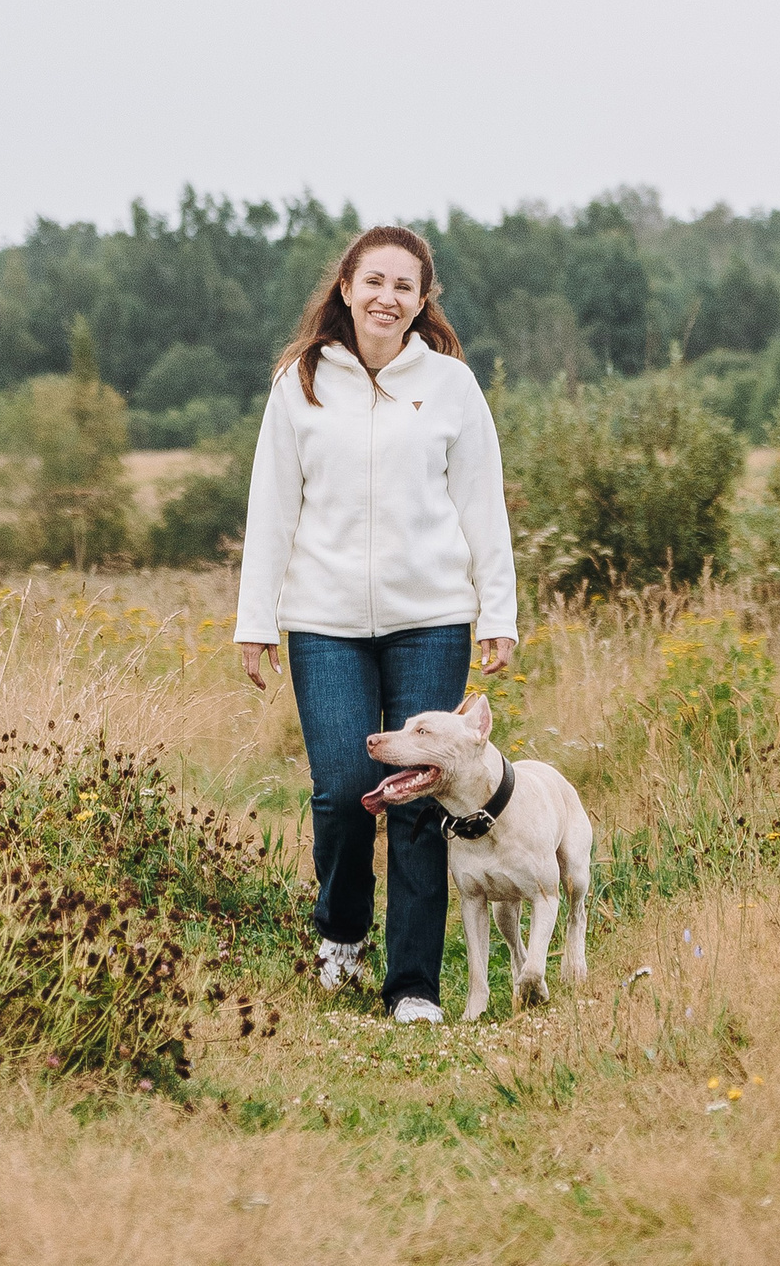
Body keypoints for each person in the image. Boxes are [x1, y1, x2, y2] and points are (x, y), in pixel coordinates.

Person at [235, 225, 516, 1025]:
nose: (388, 297)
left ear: (422, 300)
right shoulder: (302, 382)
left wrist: (499, 610)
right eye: (375, 282)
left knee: (423, 797)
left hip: (431, 620)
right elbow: (272, 507)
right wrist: (256, 620)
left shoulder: (452, 385)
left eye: (405, 286)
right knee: (345, 790)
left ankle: (415, 985)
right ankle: (343, 932)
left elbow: (481, 504)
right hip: (323, 624)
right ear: (347, 288)